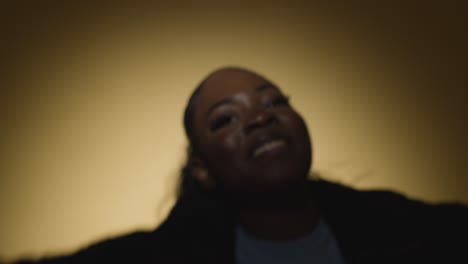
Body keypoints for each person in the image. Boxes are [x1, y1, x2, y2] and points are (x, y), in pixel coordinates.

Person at [11, 67, 468, 264]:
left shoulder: (413, 233)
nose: (261, 117)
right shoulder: (155, 259)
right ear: (202, 169)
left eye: (274, 102)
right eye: (226, 118)